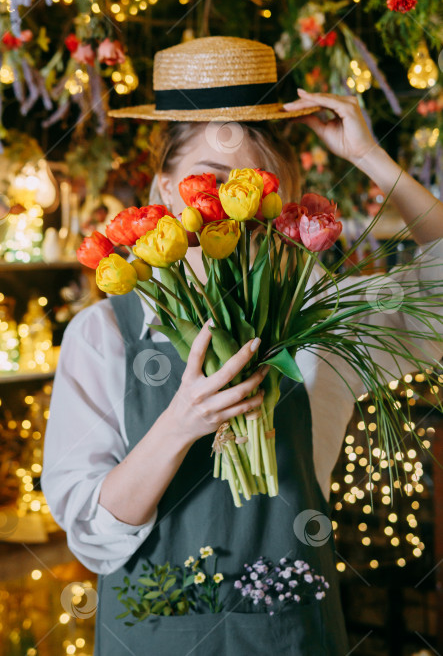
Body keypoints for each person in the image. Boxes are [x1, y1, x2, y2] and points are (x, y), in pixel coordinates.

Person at [41, 37, 443, 655]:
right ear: (161, 186)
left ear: (283, 192)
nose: (237, 201)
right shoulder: (104, 336)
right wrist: (181, 424)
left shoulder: (322, 318)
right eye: (212, 179)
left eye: (257, 183)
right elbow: (92, 535)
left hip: (291, 639)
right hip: (154, 636)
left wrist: (371, 156)